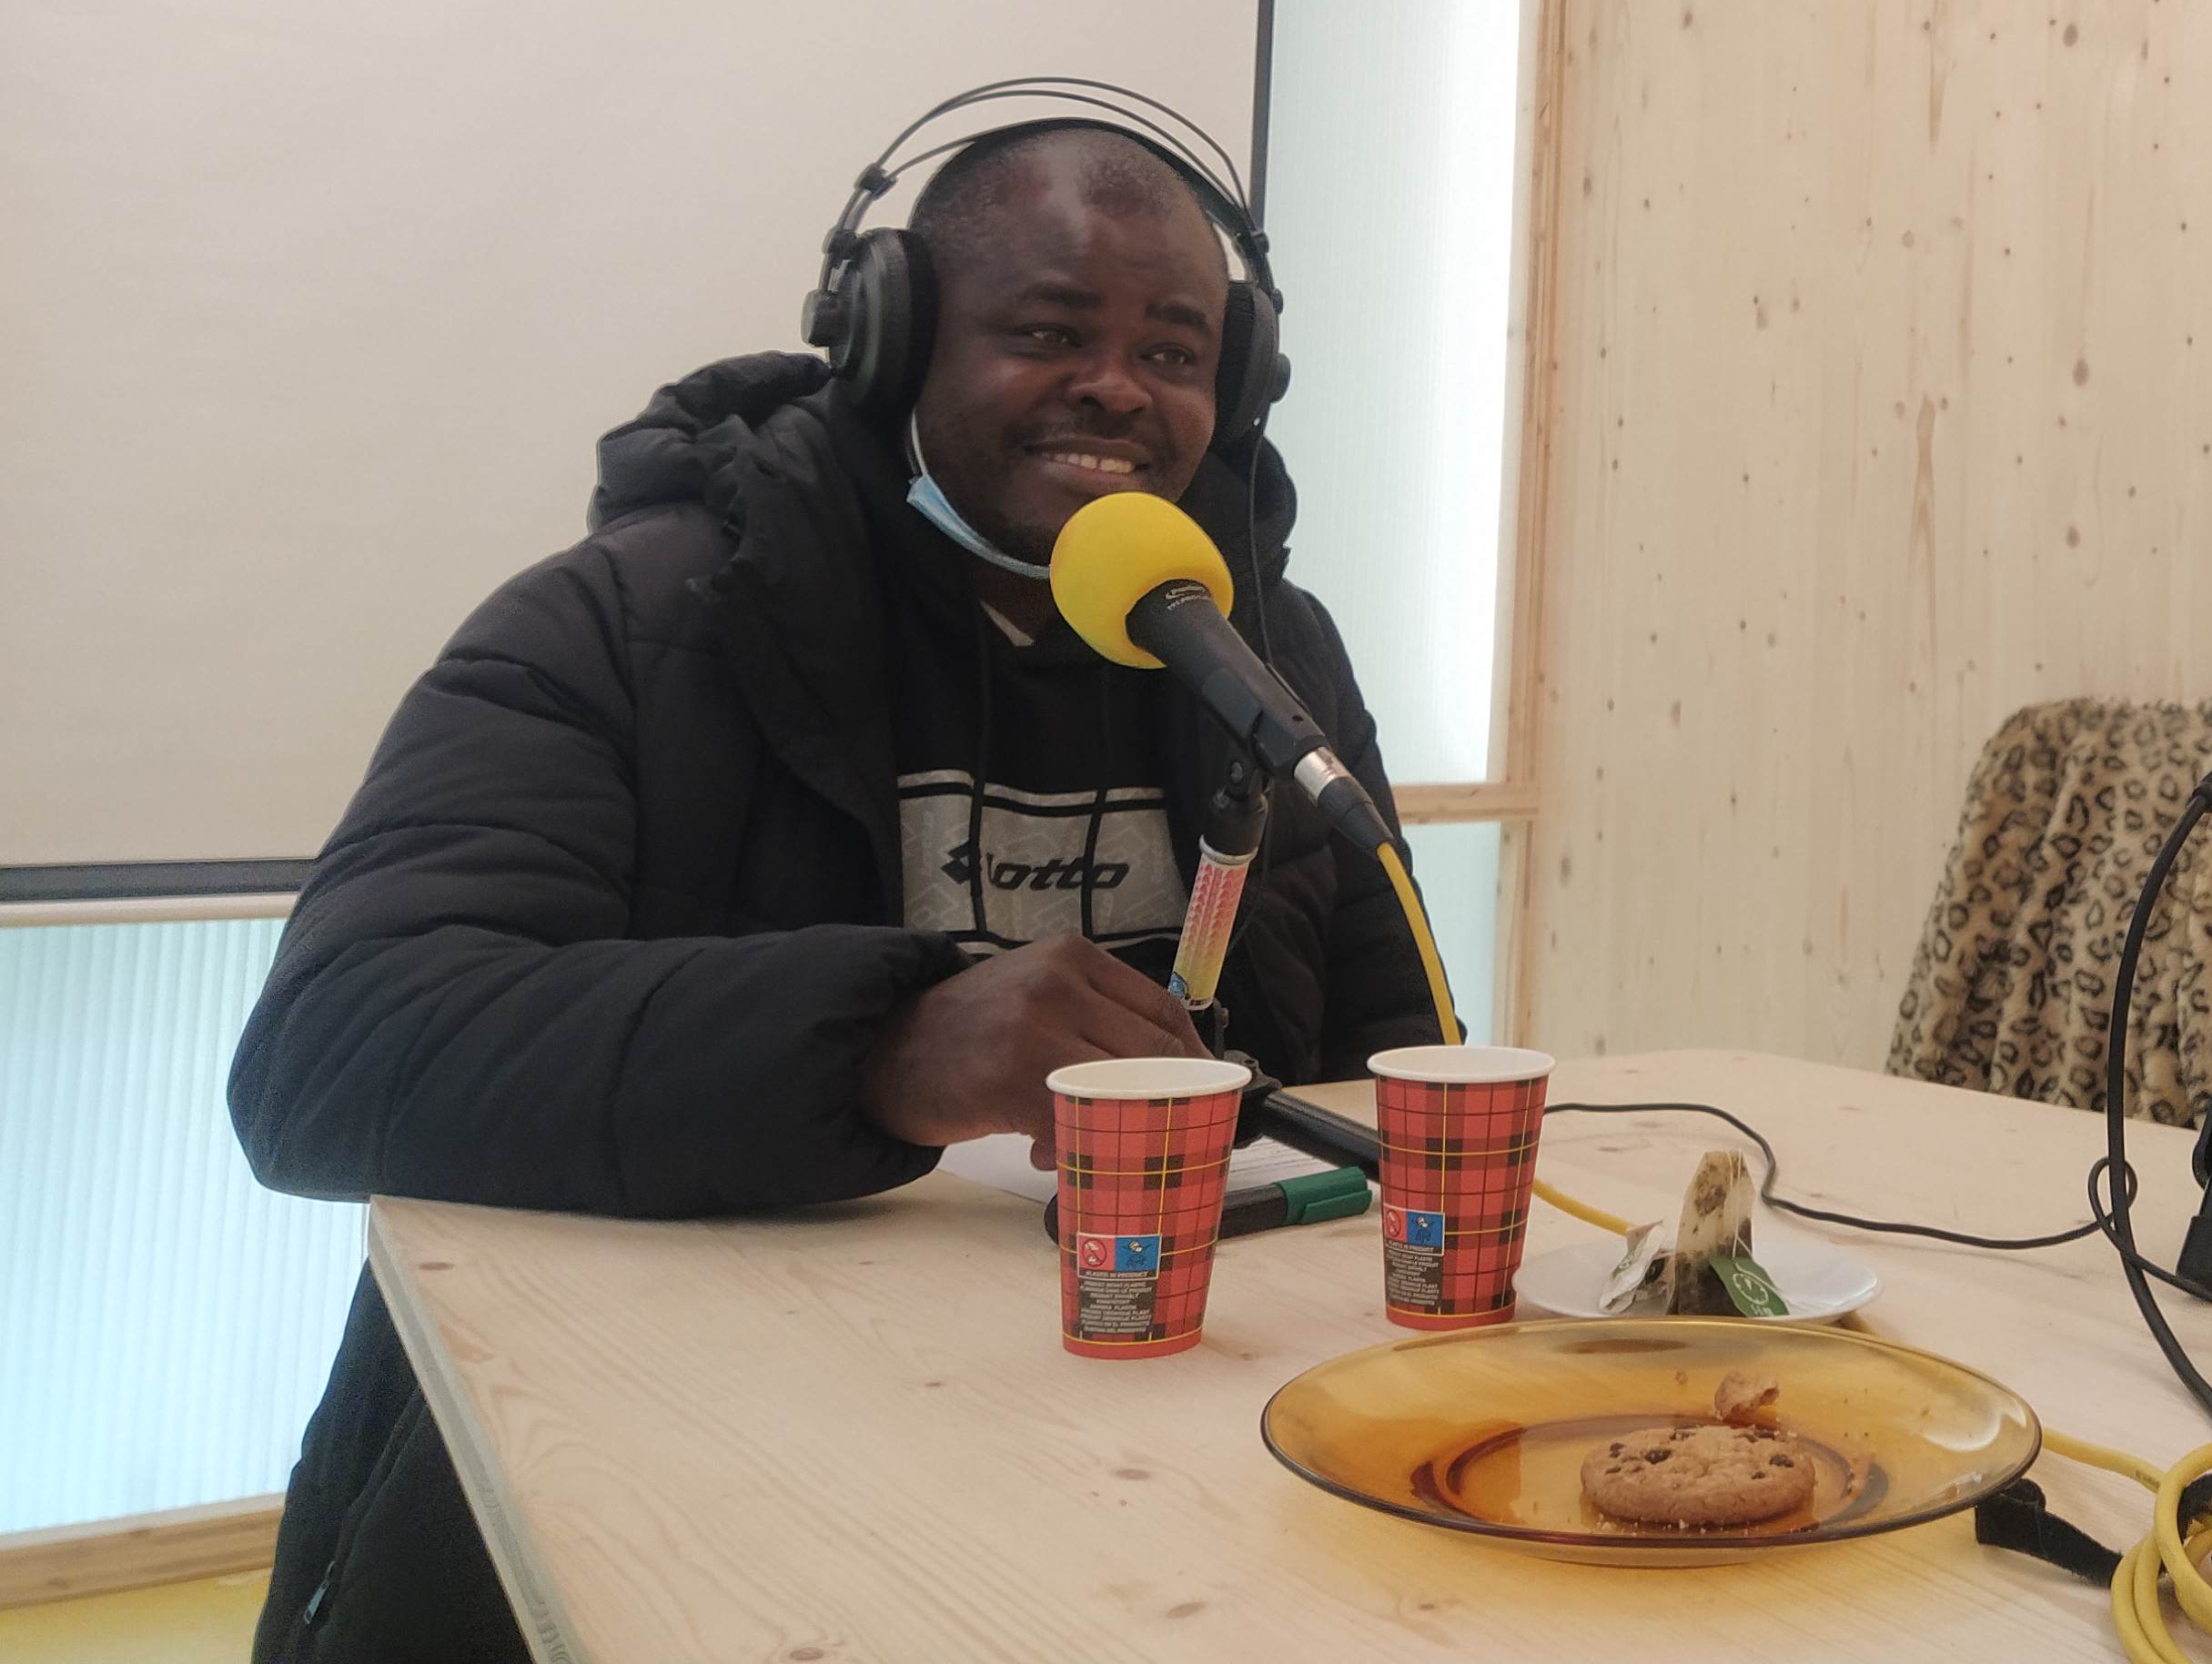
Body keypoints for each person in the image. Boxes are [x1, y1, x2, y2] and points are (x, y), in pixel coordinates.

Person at [230, 103, 1442, 1660]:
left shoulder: (1267, 656)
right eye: (1047, 331)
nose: (1116, 388)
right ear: (891, 342)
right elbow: (332, 1054)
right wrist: (880, 1047)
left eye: (1174, 350)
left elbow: (1392, 1063)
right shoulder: (629, 622)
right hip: (670, 1473)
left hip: (1143, 1490)